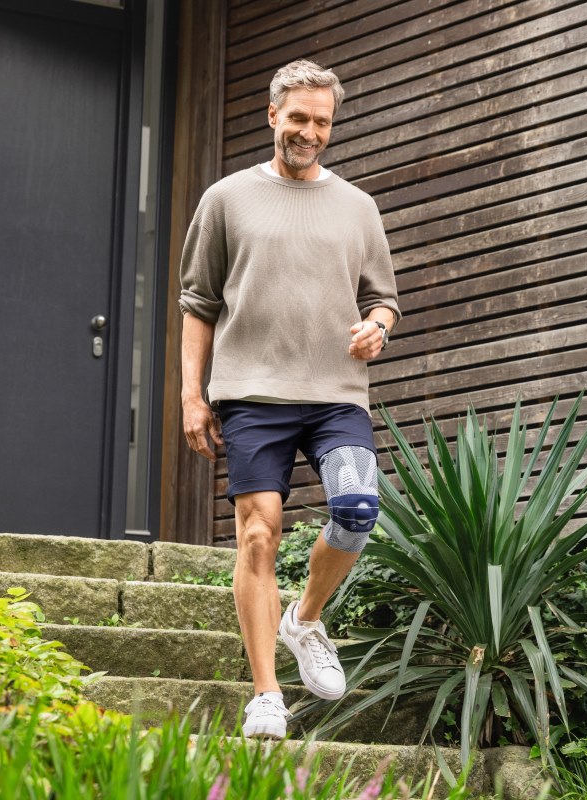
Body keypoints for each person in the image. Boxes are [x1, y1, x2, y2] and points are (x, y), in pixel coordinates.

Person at [178, 59, 401, 739]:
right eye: (299, 118)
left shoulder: (358, 207)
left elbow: (383, 298)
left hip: (335, 395)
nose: (310, 131)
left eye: (322, 122)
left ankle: (303, 619)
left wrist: (378, 328)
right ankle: (267, 694)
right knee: (257, 533)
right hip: (250, 393)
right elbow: (197, 302)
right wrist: (193, 394)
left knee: (358, 509)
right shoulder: (225, 199)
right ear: (273, 115)